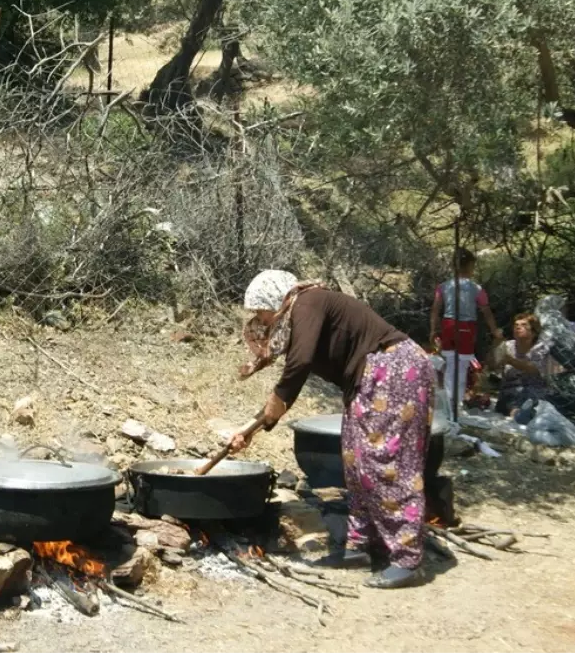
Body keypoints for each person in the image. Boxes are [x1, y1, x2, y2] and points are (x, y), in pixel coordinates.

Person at [231, 270, 434, 589]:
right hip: (369, 380)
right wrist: (249, 430)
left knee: (386, 465)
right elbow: (287, 379)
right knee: (357, 465)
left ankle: (407, 560)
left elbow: (297, 366)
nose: (261, 319)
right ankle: (360, 546)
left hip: (395, 370)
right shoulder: (301, 312)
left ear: (274, 299)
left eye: (260, 311)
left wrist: (268, 416)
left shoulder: (307, 302)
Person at [428, 248, 501, 418]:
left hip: (448, 325)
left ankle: (448, 403)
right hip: (467, 327)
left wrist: (433, 330)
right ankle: (457, 404)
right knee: (461, 366)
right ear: (469, 266)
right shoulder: (476, 288)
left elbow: (435, 310)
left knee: (450, 365)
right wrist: (494, 330)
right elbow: (486, 311)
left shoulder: (443, 287)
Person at [494, 313, 555, 415]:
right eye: (516, 325)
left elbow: (534, 369)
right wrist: (496, 343)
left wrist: (510, 360)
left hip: (536, 393)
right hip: (510, 393)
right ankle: (518, 414)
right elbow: (492, 366)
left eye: (524, 325)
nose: (518, 327)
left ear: (534, 332)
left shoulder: (541, 349)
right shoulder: (507, 346)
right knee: (510, 403)